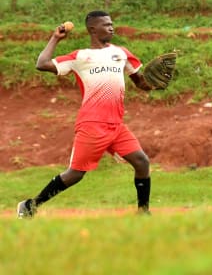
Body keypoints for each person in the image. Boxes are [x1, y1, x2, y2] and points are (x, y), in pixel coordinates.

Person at [17, 11, 153, 218]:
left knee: (142, 162)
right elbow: (42, 63)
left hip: (116, 125)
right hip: (92, 124)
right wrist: (55, 38)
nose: (111, 27)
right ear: (92, 29)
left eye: (112, 24)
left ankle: (143, 213)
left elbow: (141, 83)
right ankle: (29, 205)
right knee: (75, 174)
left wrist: (155, 83)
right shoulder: (79, 57)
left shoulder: (121, 53)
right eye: (106, 25)